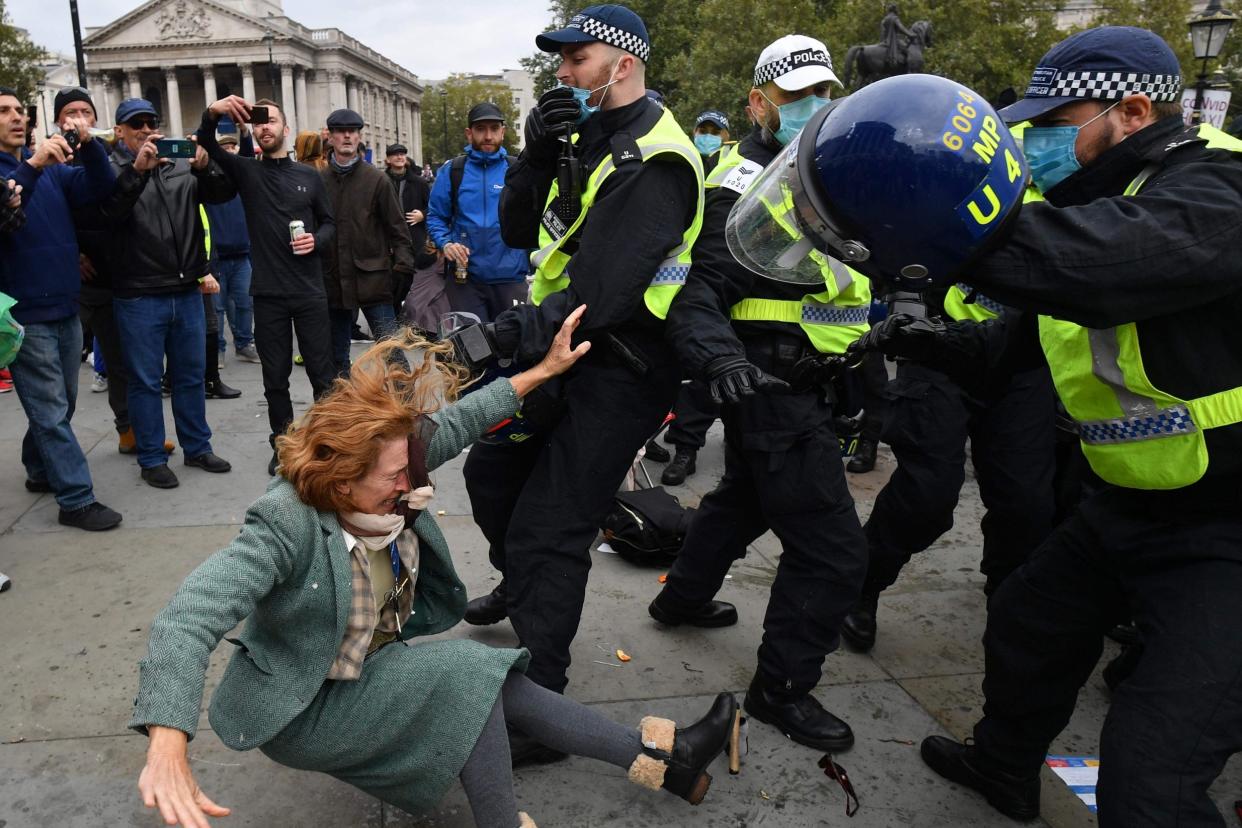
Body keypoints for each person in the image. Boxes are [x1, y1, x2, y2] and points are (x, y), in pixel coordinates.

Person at [731, 27, 1242, 825]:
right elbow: (1020, 349)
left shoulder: (1219, 190)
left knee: (1152, 784)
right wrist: (931, 340)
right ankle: (1003, 767)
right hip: (1130, 504)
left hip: (1226, 527)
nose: (1033, 144)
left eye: (1052, 123)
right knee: (1029, 623)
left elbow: (1094, 272)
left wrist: (923, 226)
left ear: (1132, 111)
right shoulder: (1117, 195)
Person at [130, 307, 740, 828]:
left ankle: (670, 760)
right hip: (305, 704)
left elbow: (461, 420)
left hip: (373, 665)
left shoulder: (396, 470)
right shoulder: (284, 524)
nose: (412, 482)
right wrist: (167, 739)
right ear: (341, 483)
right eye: (396, 477)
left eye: (411, 468)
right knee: (465, 676)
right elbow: (188, 619)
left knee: (495, 683)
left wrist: (543, 371)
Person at [460, 6, 705, 759]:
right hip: (564, 356)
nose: (563, 73)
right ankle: (523, 585)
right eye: (560, 61)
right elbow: (515, 231)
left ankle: (543, 712)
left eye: (576, 59)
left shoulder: (658, 159)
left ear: (622, 63)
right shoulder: (592, 139)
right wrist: (536, 156)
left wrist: (501, 338)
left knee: (552, 528)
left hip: (618, 371)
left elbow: (604, 289)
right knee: (492, 470)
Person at [647, 34, 871, 753]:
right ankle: (779, 692)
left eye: (823, 93)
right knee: (833, 552)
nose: (814, 106)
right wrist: (720, 363)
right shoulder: (741, 184)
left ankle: (680, 597)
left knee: (741, 497)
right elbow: (698, 289)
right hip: (768, 383)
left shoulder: (827, 173)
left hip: (801, 381)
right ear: (759, 103)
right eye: (796, 95)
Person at [838, 265, 1057, 652]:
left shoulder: (1071, 200)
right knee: (927, 496)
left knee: (1027, 506)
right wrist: (907, 309)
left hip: (1025, 358)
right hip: (940, 344)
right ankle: (861, 587)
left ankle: (1008, 604)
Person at [0, 87, 123, 530]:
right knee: (50, 408)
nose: (17, 117)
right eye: (4, 112)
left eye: (20, 110)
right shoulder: (27, 168)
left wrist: (88, 145)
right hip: (22, 311)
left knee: (62, 404)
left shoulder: (51, 169)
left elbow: (103, 186)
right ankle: (75, 499)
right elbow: (5, 205)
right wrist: (32, 165)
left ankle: (38, 468)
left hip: (65, 303)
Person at [98, 98, 235, 490]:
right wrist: (138, 173)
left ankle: (197, 447)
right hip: (139, 292)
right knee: (144, 381)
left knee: (191, 375)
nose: (144, 130)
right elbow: (109, 215)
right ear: (119, 131)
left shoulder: (179, 164)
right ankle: (153, 456)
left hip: (186, 287)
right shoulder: (111, 170)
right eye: (134, 124)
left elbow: (223, 194)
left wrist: (205, 165)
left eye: (150, 122)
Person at [197, 96, 337, 477]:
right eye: (259, 122)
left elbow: (330, 224)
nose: (265, 127)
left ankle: (326, 443)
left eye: (271, 120)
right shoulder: (246, 171)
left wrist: (316, 240)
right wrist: (214, 114)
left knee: (322, 376)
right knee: (274, 378)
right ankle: (283, 444)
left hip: (309, 291)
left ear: (285, 128)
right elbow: (205, 145)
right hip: (268, 293)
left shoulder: (309, 176)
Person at [321, 108, 414, 376]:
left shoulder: (376, 179)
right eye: (340, 131)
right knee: (336, 356)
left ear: (359, 136)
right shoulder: (320, 180)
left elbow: (398, 230)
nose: (347, 136)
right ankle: (346, 412)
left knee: (392, 352)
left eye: (352, 131)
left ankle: (407, 411)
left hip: (374, 280)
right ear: (331, 137)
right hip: (333, 279)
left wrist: (402, 271)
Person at [426, 102, 530, 323]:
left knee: (511, 350)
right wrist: (446, 243)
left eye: (494, 128)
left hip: (510, 277)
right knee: (473, 350)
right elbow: (435, 216)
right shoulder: (453, 170)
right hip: (466, 279)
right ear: (469, 133)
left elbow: (533, 217)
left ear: (503, 131)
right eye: (481, 129)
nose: (488, 135)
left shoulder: (517, 169)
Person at [204, 132, 260, 365]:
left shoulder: (241, 178)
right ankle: (218, 349)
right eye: (225, 148)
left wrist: (245, 132)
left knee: (245, 303)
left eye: (233, 147)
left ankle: (244, 344)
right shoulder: (208, 180)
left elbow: (248, 156)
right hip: (216, 258)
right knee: (217, 310)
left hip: (241, 255)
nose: (230, 151)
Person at [384, 142, 433, 319]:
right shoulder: (382, 180)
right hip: (389, 240)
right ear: (388, 159)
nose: (399, 157)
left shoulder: (418, 182)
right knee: (393, 281)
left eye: (402, 154)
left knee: (414, 280)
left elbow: (433, 207)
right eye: (395, 154)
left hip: (415, 238)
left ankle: (413, 318)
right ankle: (395, 318)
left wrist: (422, 214)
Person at [691, 109, 732, 175]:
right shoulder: (685, 162)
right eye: (703, 131)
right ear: (694, 132)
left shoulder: (733, 164)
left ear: (727, 136)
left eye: (715, 132)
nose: (708, 137)